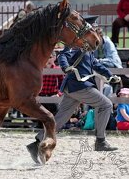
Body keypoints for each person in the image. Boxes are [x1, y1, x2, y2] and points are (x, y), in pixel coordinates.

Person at [27, 16, 121, 162]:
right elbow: (63, 55)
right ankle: (100, 141)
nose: (96, 32)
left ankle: (36, 142)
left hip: (75, 88)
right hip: (79, 86)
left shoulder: (87, 47)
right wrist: (66, 67)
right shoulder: (75, 44)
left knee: (60, 119)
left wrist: (110, 76)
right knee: (106, 104)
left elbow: (95, 64)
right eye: (94, 29)